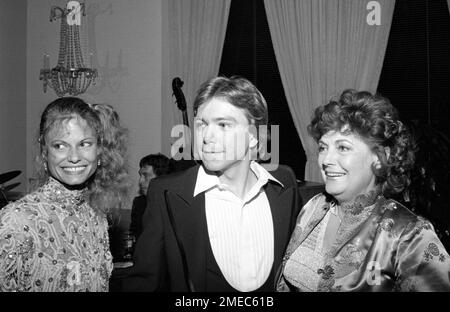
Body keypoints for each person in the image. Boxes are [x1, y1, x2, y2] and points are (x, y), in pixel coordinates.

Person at [124, 76, 301, 292]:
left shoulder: (284, 188)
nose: (206, 136)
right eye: (201, 125)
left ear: (254, 136)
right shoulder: (167, 194)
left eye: (224, 124)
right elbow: (144, 284)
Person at [276, 89, 450, 292]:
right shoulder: (313, 207)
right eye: (323, 147)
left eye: (342, 148)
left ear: (379, 157)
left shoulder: (409, 234)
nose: (326, 160)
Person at [0, 97, 129, 292]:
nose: (74, 157)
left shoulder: (97, 216)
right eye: (60, 146)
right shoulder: (16, 221)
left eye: (85, 144)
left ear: (99, 150)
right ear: (45, 151)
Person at [129, 153, 172, 240]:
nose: (140, 181)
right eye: (140, 175)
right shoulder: (139, 203)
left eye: (145, 175)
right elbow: (134, 235)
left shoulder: (173, 204)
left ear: (161, 177)